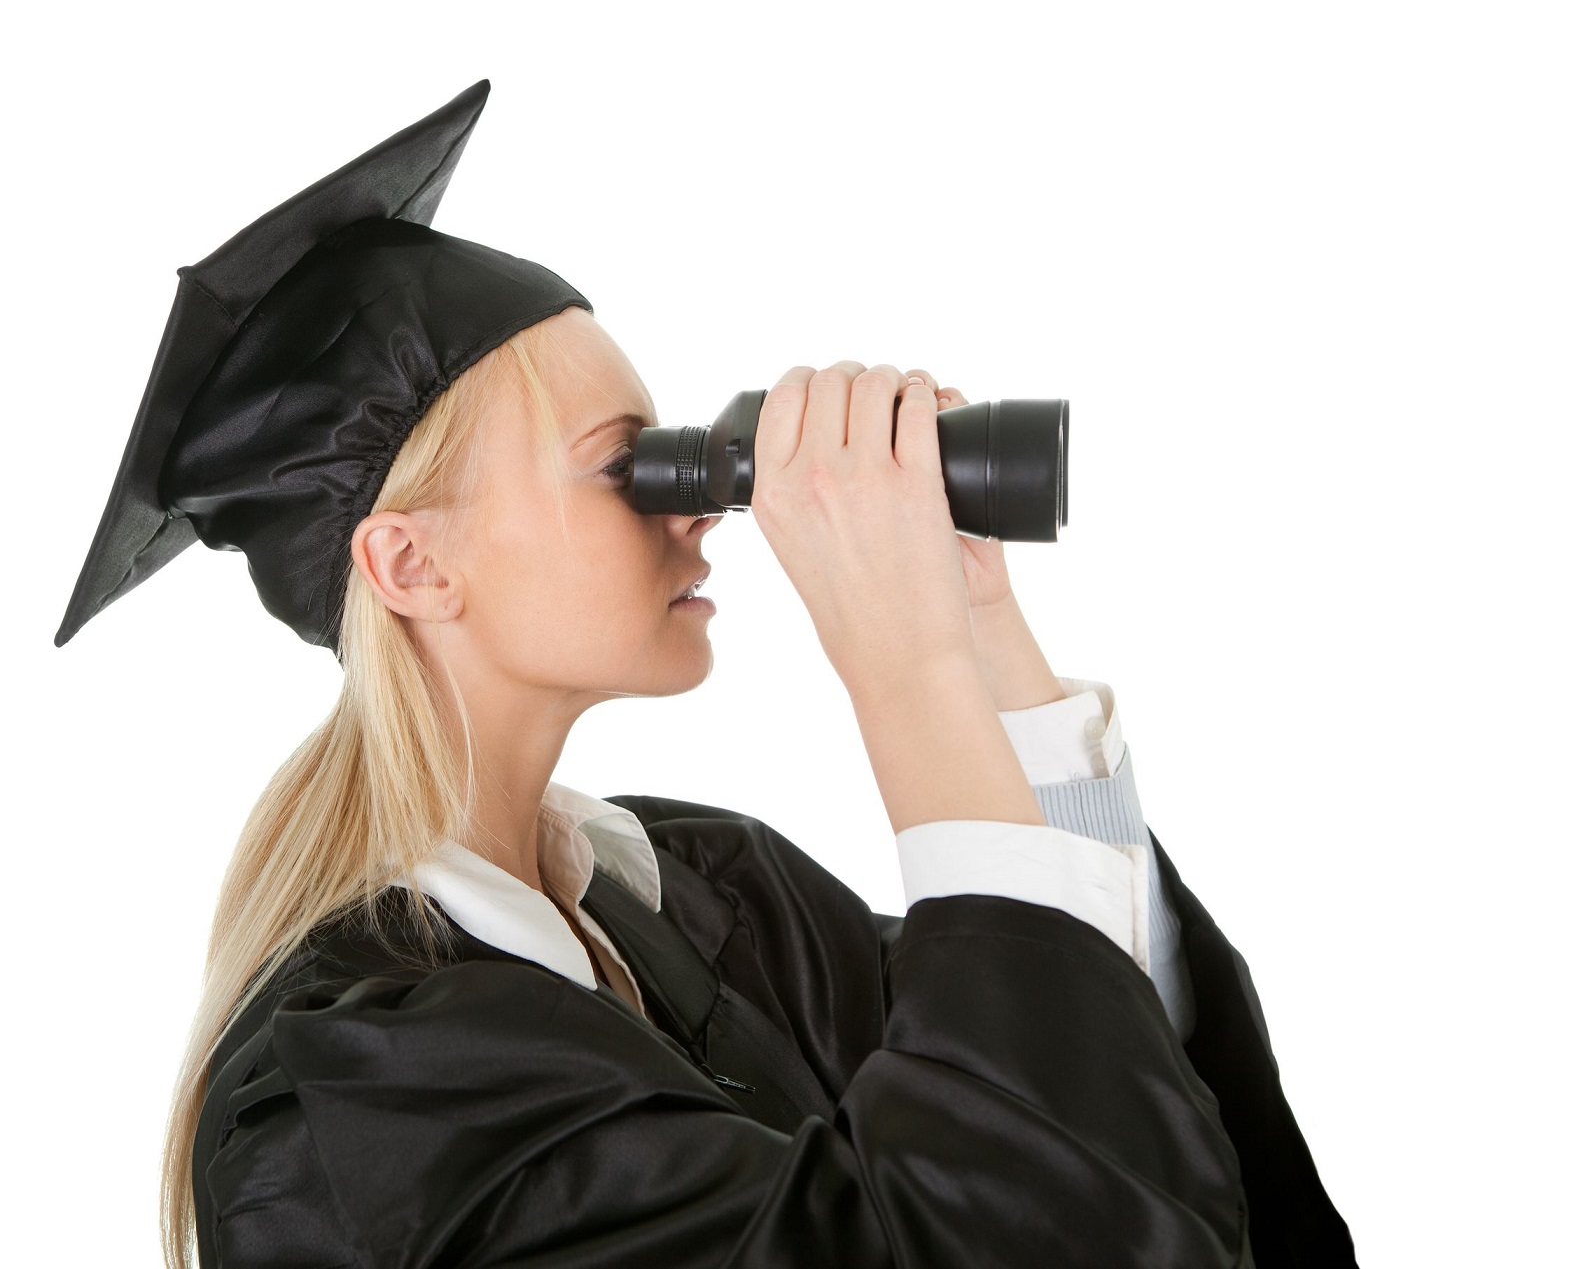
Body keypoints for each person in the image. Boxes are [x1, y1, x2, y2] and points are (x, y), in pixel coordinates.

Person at [55, 81, 1357, 1268]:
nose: (701, 511)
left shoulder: (704, 889)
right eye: (631, 461)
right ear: (411, 562)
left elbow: (1120, 1101)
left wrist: (975, 636)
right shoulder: (355, 1081)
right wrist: (901, 676)